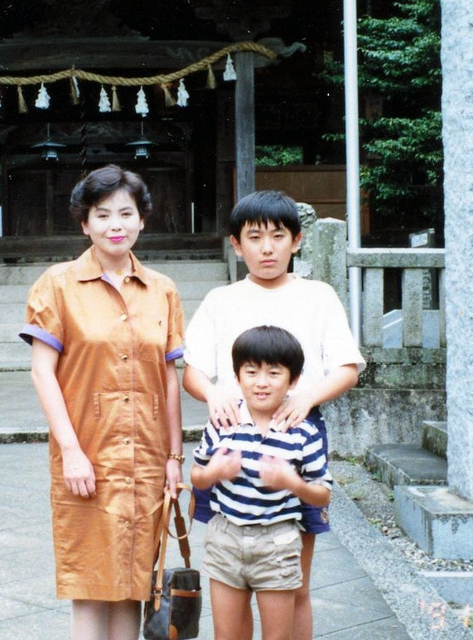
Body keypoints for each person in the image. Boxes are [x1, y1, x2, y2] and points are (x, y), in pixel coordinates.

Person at [183, 190, 365, 640]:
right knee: (231, 580)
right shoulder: (220, 300)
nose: (267, 248)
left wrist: (306, 399)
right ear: (236, 244)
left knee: (293, 582)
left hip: (294, 437)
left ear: (297, 241)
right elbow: (193, 371)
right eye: (255, 237)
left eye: (278, 236)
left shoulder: (317, 296)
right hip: (230, 440)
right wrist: (211, 394)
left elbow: (347, 367)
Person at [19, 164, 185, 640]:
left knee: (135, 584)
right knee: (90, 583)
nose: (117, 225)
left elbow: (168, 378)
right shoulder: (57, 284)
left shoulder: (163, 290)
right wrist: (70, 450)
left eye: (127, 213)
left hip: (148, 458)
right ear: (84, 223)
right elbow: (42, 371)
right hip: (87, 454)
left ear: (142, 220)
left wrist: (175, 457)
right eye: (103, 214)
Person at [191, 325, 333, 640]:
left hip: (277, 543)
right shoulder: (222, 425)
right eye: (251, 372)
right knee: (226, 635)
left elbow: (323, 495)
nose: (262, 382)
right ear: (237, 377)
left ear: (293, 380)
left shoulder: (303, 433)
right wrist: (214, 472)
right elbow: (197, 477)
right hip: (225, 538)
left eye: (274, 373)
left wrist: (292, 482)